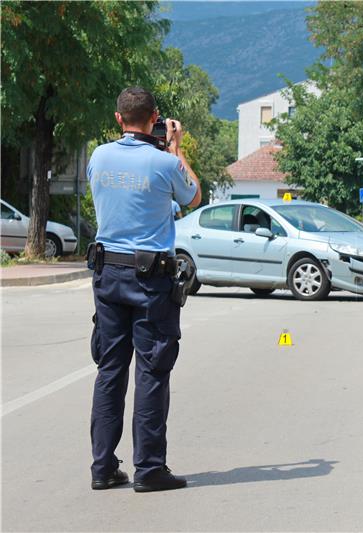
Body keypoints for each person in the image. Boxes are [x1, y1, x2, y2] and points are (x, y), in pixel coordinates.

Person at [86, 87, 201, 492]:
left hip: (107, 274)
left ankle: (102, 467)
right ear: (154, 118)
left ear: (119, 118)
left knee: (110, 370)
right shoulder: (163, 162)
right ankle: (149, 469)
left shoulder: (98, 157)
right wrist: (175, 147)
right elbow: (193, 194)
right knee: (152, 371)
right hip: (151, 279)